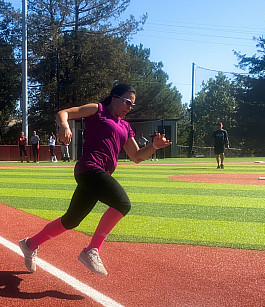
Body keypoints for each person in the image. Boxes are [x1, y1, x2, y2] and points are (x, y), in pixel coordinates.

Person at [19, 83, 171, 276]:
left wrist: (154, 146)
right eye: (127, 102)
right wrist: (64, 126)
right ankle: (92, 250)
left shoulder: (125, 126)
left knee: (71, 220)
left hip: (99, 174)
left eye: (132, 105)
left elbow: (137, 156)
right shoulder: (97, 110)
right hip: (89, 168)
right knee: (123, 204)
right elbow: (63, 113)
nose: (129, 107)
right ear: (115, 97)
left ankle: (30, 244)